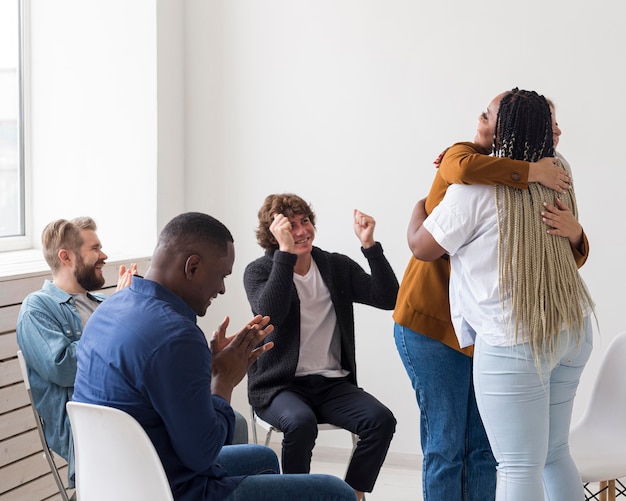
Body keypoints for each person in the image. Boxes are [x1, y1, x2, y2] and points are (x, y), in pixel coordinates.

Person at [72, 212, 357, 501]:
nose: (221, 288)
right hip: (167, 489)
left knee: (262, 457)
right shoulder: (177, 335)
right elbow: (203, 455)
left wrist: (205, 366)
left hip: (115, 481)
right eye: (222, 276)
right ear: (193, 266)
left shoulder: (111, 306)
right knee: (337, 493)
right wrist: (224, 380)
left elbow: (154, 386)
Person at [392, 95, 588, 500]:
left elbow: (423, 247)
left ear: (502, 129)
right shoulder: (560, 172)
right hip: (571, 329)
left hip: (514, 340)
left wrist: (416, 209)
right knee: (554, 455)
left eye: (488, 115)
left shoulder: (473, 193)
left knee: (517, 468)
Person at [243, 194, 398, 501]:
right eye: (291, 227)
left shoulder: (335, 266)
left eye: (305, 222)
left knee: (381, 420)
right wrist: (285, 254)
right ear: (274, 234)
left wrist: (370, 246)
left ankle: (352, 494)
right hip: (280, 386)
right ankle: (297, 495)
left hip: (332, 384)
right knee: (301, 423)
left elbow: (388, 297)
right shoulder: (259, 272)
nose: (302, 231)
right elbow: (269, 314)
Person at [16, 217, 136, 487]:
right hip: (90, 427)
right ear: (66, 257)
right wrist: (113, 316)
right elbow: (64, 367)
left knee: (224, 420)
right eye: (95, 248)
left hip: (128, 411)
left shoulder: (102, 303)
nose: (104, 256)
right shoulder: (37, 308)